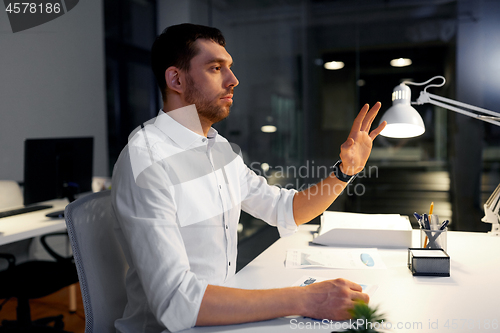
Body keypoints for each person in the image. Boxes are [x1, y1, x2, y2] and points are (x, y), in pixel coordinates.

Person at [111, 23, 387, 333]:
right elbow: (178, 301)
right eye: (216, 68)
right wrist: (306, 299)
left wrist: (345, 171)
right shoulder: (145, 159)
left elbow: (286, 209)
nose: (233, 80)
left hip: (221, 319)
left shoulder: (219, 149)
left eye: (229, 67)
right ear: (175, 78)